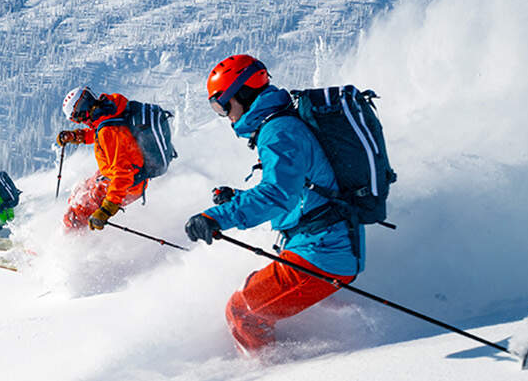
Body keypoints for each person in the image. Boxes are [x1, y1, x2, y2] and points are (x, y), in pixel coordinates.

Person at [182, 54, 365, 355]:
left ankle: (270, 370)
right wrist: (238, 198)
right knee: (255, 299)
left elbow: (278, 195)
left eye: (222, 105)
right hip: (323, 246)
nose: (224, 115)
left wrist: (216, 217)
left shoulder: (279, 131)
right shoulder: (279, 125)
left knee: (242, 312)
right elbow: (297, 189)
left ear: (241, 93)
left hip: (321, 252)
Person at [56, 86, 154, 231]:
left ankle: (67, 242)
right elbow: (102, 133)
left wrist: (108, 208)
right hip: (121, 172)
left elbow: (123, 173)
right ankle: (69, 229)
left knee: (77, 213)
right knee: (79, 190)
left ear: (79, 116)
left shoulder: (108, 131)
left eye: (77, 118)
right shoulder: (112, 108)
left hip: (127, 184)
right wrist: (77, 136)